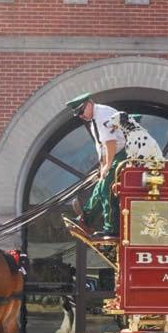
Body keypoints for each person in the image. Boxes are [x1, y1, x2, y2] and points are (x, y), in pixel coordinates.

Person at [65, 93, 127, 239]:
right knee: (100, 187)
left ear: (89, 104)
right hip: (115, 155)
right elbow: (102, 147)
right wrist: (102, 167)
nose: (81, 116)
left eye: (81, 111)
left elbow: (111, 143)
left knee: (106, 189)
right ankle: (85, 220)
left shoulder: (103, 115)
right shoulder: (94, 121)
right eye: (78, 114)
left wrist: (108, 166)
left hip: (124, 154)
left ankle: (112, 229)